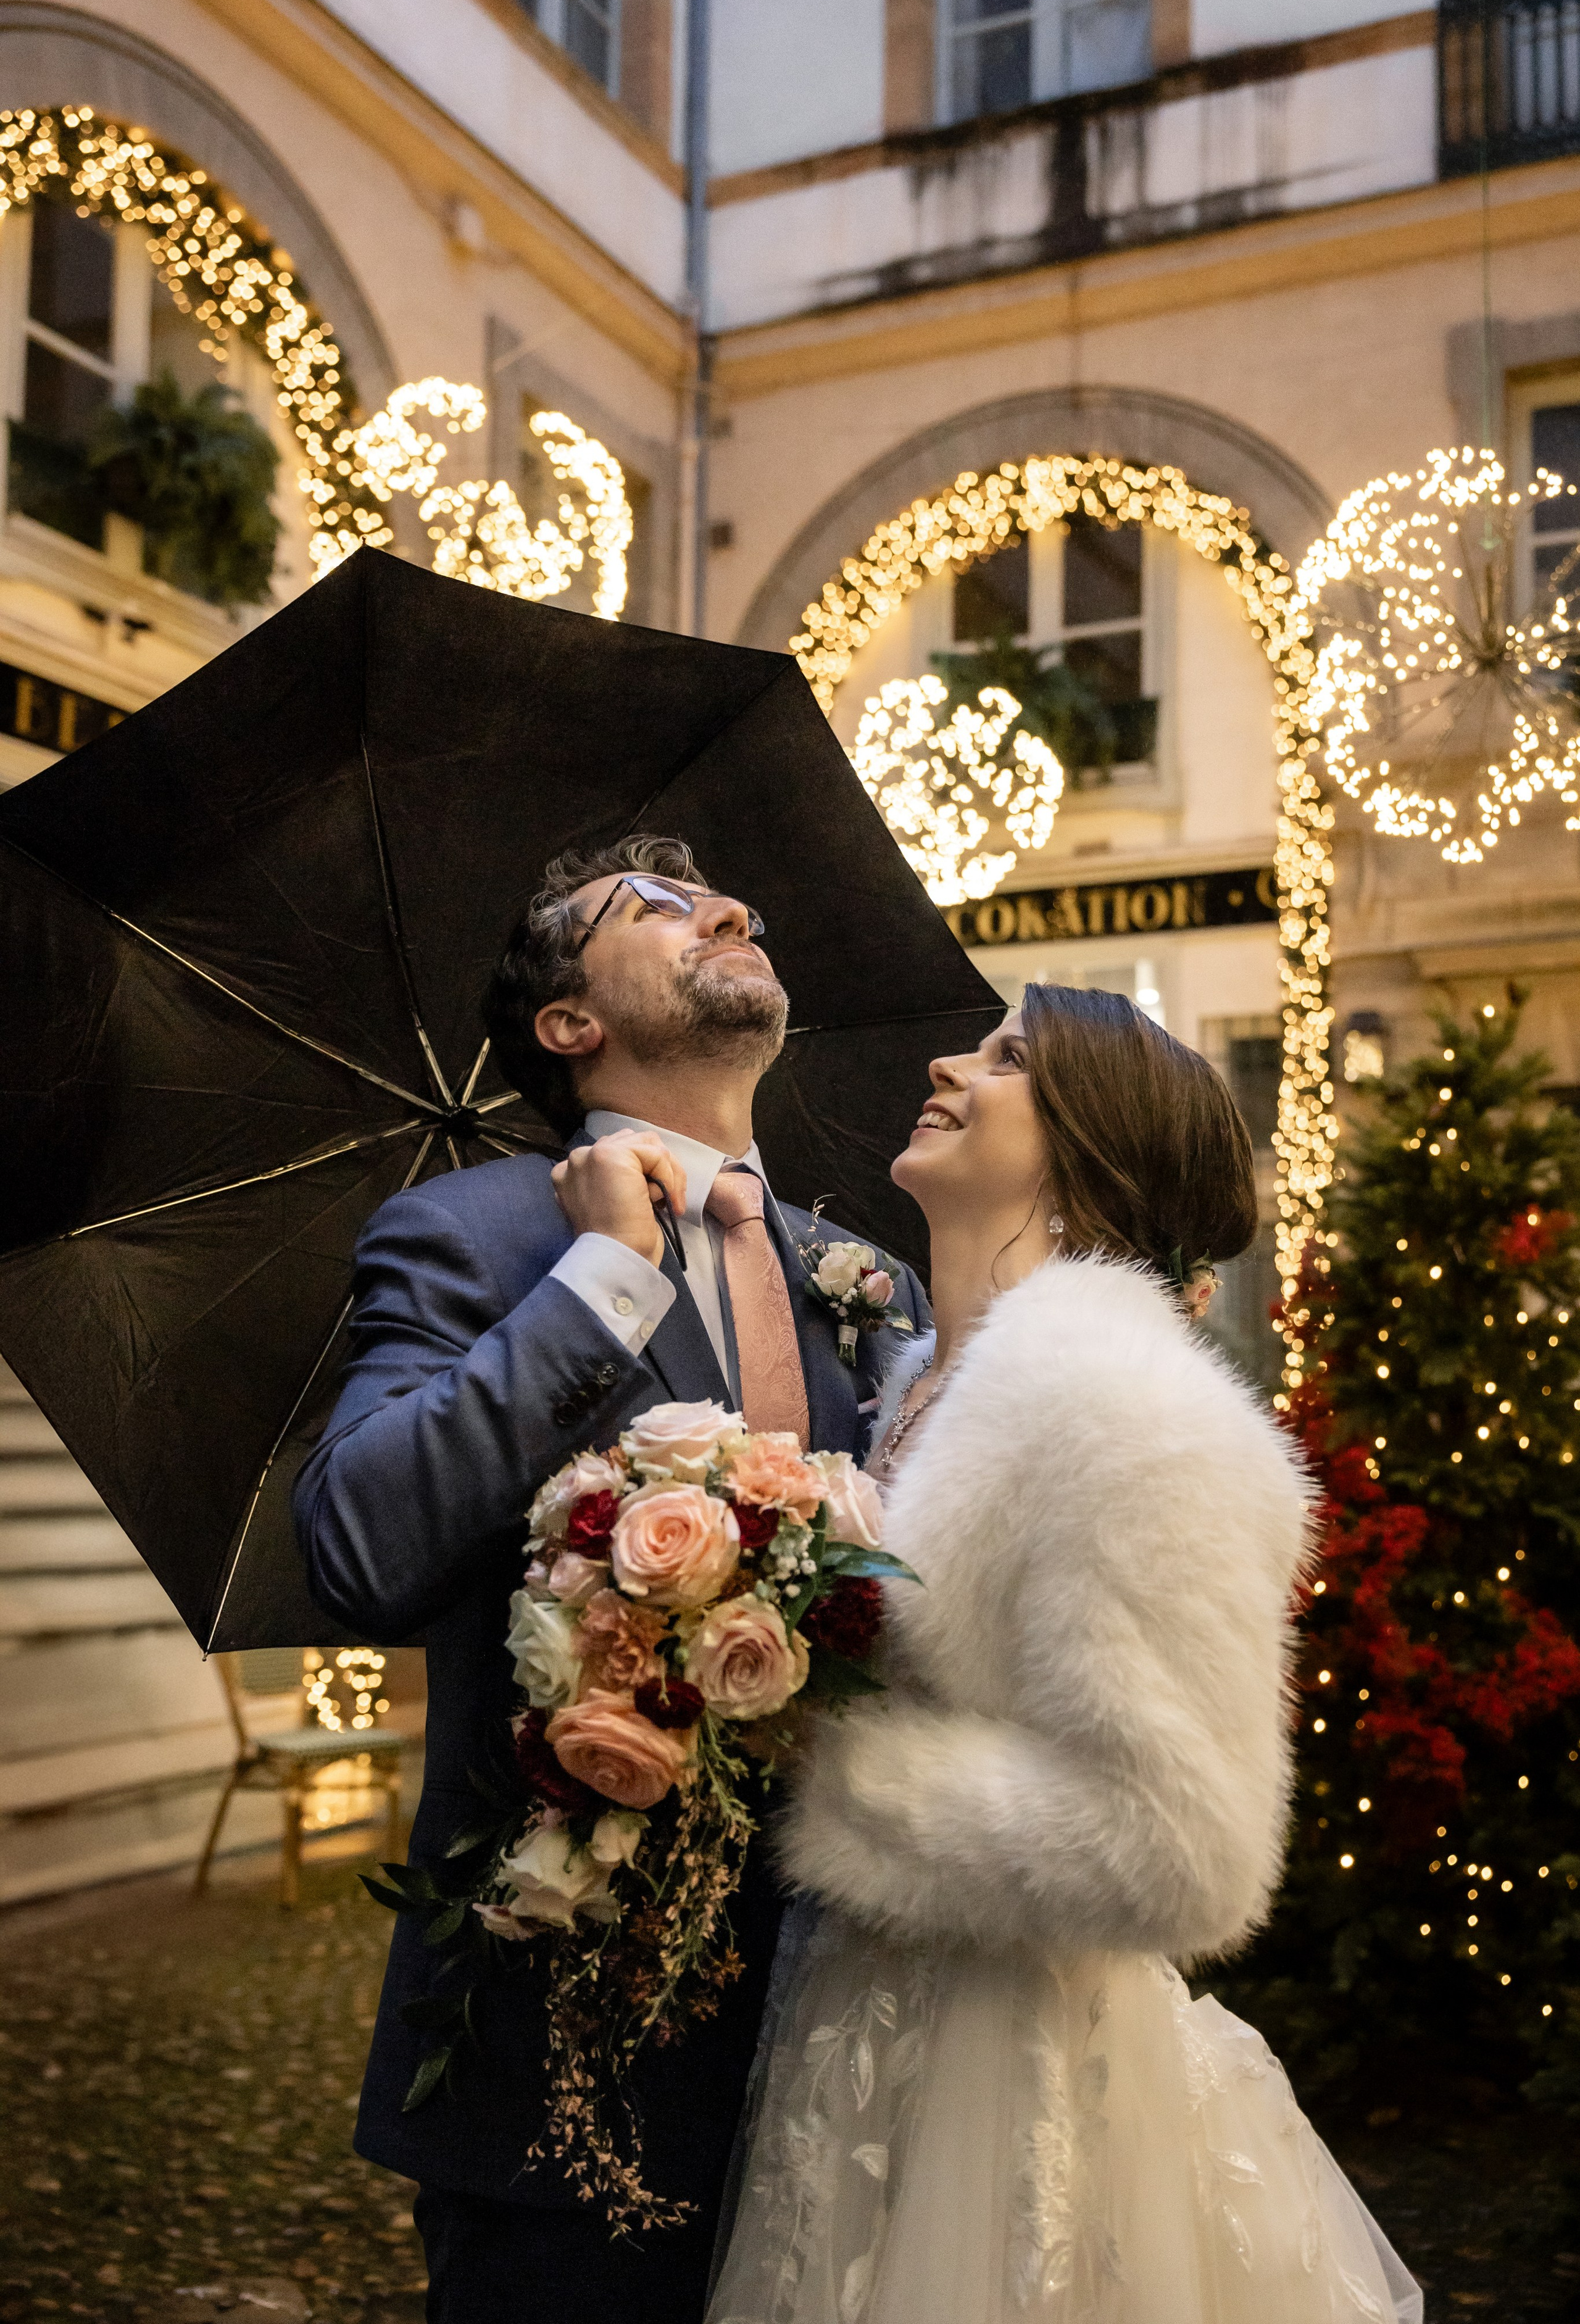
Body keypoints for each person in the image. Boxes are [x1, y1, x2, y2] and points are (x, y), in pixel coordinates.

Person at [707, 986, 1423, 2324]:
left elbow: (1184, 1849)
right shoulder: (913, 1391)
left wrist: (835, 1770)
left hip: (1013, 2074)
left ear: (1089, 1149)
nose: (945, 1061)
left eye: (1007, 1058)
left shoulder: (1128, 1411)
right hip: (852, 2038)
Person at [293, 835, 928, 2324]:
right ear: (569, 1025)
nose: (728, 905)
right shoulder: (475, 1233)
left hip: (848, 2034)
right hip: (559, 2056)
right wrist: (598, 1282)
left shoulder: (869, 1279)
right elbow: (359, 1552)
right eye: (648, 906)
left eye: (724, 897)